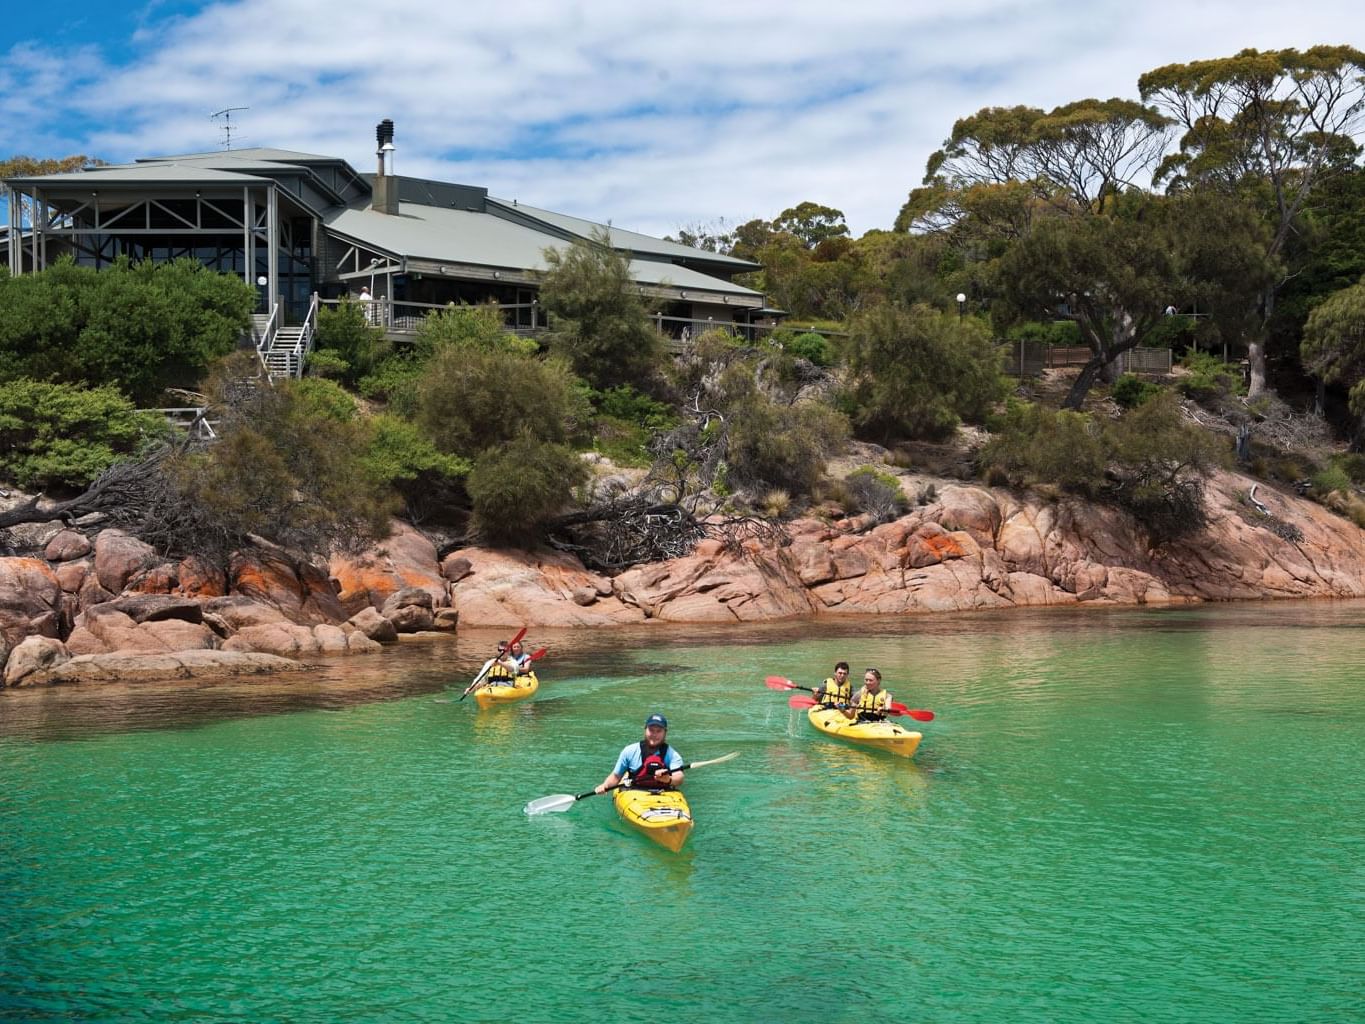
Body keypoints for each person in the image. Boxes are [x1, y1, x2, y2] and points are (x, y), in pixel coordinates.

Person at [594, 714, 684, 793]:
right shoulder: (629, 751)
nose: (654, 734)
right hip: (635, 791)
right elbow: (616, 776)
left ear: (665, 733)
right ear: (645, 730)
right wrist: (604, 786)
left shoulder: (673, 755)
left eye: (659, 731)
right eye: (651, 730)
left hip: (663, 792)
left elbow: (679, 778)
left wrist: (668, 779)